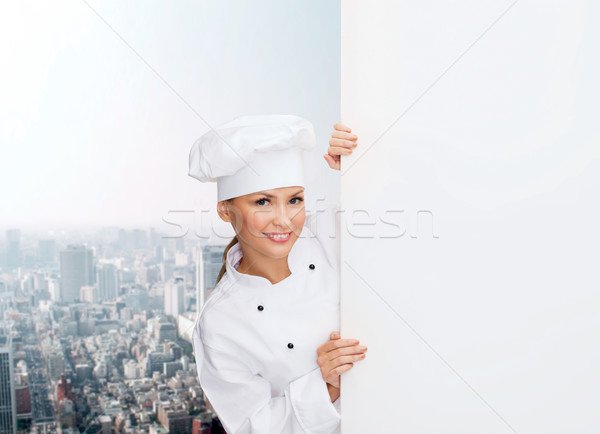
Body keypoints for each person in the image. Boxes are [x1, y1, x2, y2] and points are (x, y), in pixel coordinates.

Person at [188, 115, 367, 433]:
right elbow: (253, 427)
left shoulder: (330, 233)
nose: (284, 220)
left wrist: (360, 167)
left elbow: (402, 251)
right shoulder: (218, 325)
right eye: (263, 202)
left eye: (294, 200)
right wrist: (327, 386)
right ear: (225, 210)